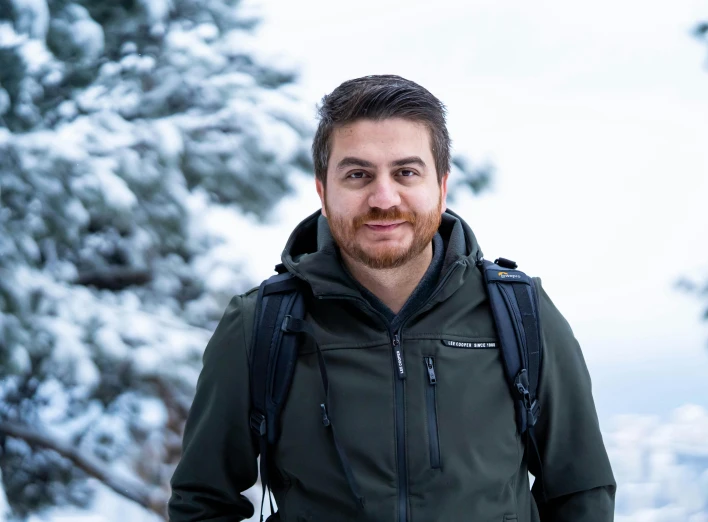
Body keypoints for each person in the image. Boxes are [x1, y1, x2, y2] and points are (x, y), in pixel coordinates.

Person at [168, 75, 616, 522]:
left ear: (441, 189)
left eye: (406, 172)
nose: (383, 198)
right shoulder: (259, 325)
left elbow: (581, 491)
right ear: (323, 192)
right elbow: (202, 503)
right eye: (358, 174)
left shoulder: (522, 314)